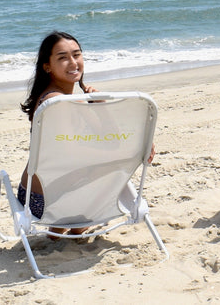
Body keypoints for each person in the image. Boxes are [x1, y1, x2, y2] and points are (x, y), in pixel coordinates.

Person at [16, 31, 154, 234]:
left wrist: (101, 107)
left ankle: (68, 229)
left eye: (77, 55)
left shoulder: (71, 100)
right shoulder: (54, 103)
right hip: (42, 202)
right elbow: (71, 153)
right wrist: (133, 153)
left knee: (104, 167)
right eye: (62, 57)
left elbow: (112, 140)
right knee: (107, 168)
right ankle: (77, 226)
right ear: (47, 66)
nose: (73, 62)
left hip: (56, 196)